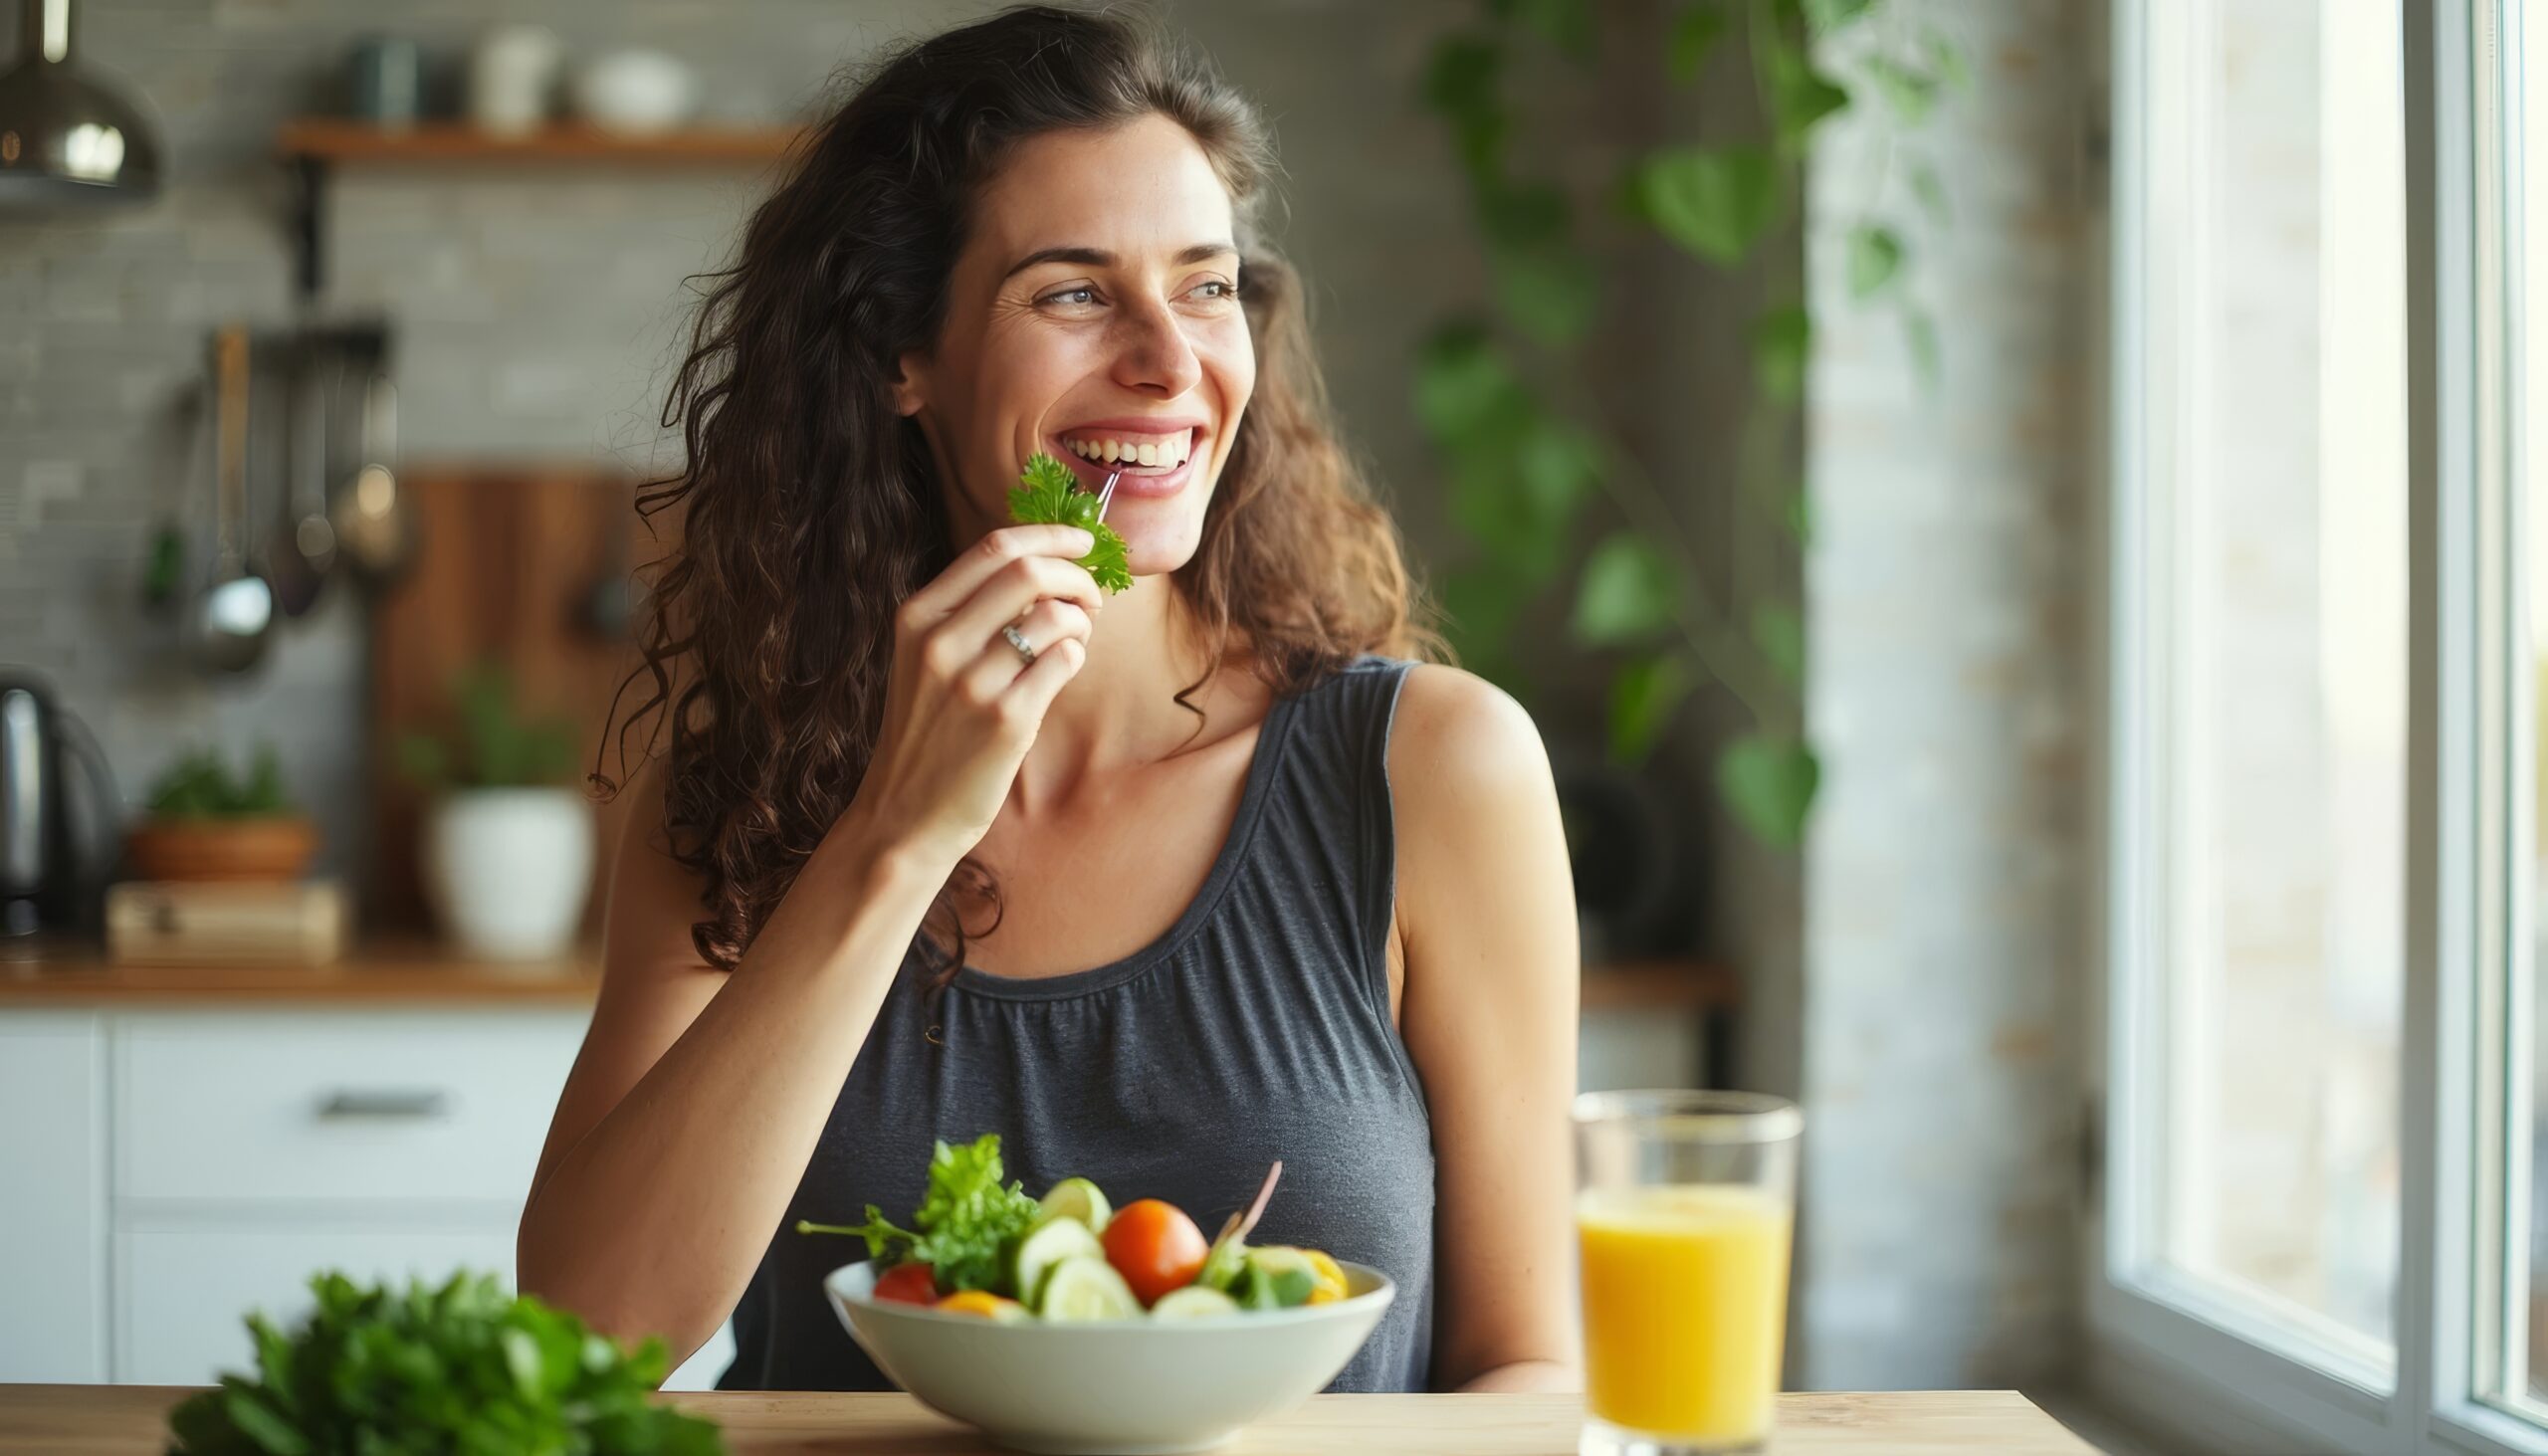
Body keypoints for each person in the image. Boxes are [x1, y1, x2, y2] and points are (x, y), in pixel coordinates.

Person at [516, 5, 1579, 1394]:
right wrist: (894, 836)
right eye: (1074, 293)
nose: (1167, 360)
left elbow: (1530, 1372)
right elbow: (586, 1335)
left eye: (1205, 287)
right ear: (907, 359)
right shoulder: (742, 795)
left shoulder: (1439, 769)